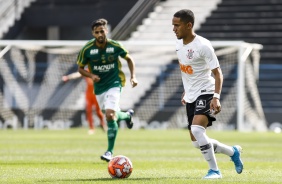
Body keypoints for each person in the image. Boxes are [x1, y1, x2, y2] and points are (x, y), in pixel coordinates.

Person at [172, 9, 243, 179]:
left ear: (189, 25)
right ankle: (232, 151)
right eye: (173, 25)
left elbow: (218, 73)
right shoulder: (178, 45)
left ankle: (215, 171)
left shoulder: (203, 46)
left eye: (177, 25)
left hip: (206, 91)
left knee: (197, 130)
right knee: (197, 142)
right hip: (191, 95)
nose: (174, 29)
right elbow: (189, 72)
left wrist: (216, 97)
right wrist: (186, 90)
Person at [76, 18, 138, 162]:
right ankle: (127, 116)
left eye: (102, 31)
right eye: (96, 32)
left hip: (115, 83)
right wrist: (91, 75)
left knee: (110, 115)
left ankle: (109, 151)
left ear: (106, 31)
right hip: (99, 88)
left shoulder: (115, 46)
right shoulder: (87, 49)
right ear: (93, 33)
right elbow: (80, 68)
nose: (100, 34)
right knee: (112, 116)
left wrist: (133, 77)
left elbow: (129, 59)